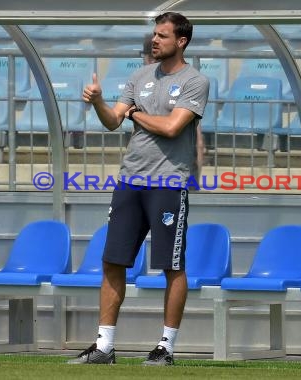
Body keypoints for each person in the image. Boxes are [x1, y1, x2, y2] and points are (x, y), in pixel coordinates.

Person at [70, 12, 210, 366]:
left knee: (171, 265)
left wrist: (133, 114)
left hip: (168, 184)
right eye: (154, 34)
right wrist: (99, 102)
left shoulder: (196, 81)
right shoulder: (139, 76)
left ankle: (166, 347)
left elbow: (171, 127)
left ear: (182, 41)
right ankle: (104, 346)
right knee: (112, 261)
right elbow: (113, 120)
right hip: (130, 181)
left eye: (163, 35)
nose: (155, 40)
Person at [142, 33, 206, 182]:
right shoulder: (186, 80)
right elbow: (198, 140)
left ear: (150, 58)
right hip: (180, 171)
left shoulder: (148, 86)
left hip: (162, 173)